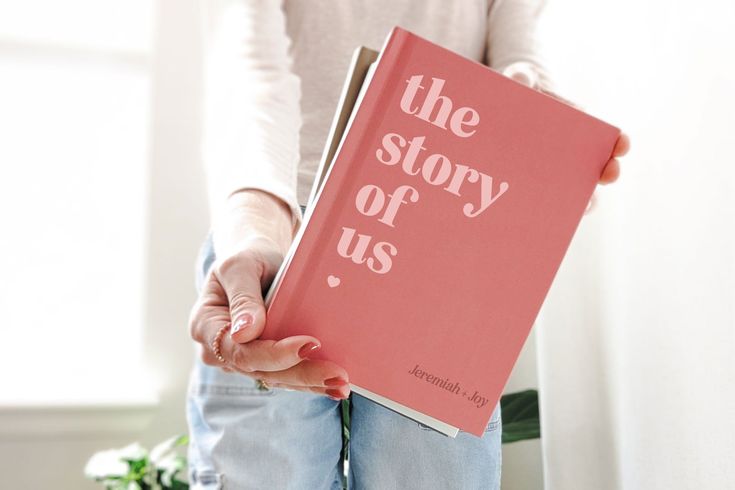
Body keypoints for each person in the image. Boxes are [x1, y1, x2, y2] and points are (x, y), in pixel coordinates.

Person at [185, 1, 630, 488]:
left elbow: (516, 52)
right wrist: (256, 222)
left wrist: (534, 114)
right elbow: (250, 66)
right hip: (278, 238)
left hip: (433, 252)